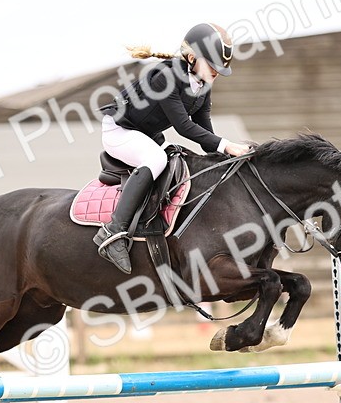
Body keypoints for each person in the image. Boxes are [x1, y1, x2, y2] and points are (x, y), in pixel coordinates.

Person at [94, 22, 251, 274]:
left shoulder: (202, 86)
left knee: (182, 158)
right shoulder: (166, 78)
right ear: (191, 58)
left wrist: (225, 158)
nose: (217, 73)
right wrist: (227, 145)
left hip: (146, 133)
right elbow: (184, 127)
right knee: (157, 160)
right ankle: (113, 232)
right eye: (212, 65)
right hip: (119, 130)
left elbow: (204, 132)